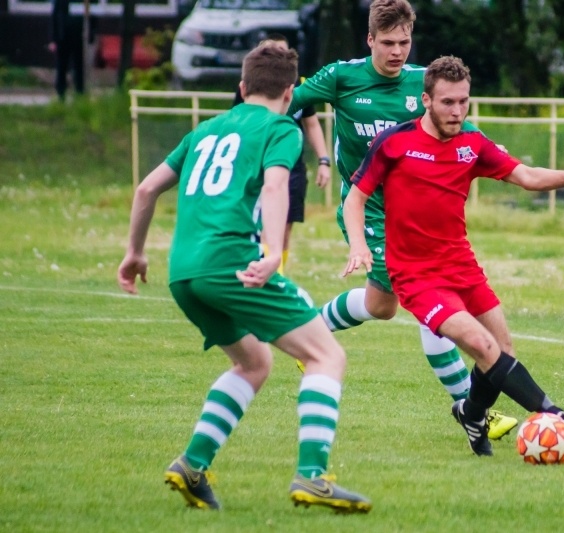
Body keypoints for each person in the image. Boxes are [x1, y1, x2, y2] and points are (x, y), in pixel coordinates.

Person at [117, 42, 371, 513]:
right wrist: (274, 251)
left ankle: (192, 465)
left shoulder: (207, 128)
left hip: (183, 273)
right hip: (232, 263)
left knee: (254, 363)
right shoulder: (281, 127)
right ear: (291, 91)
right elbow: (275, 186)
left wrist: (134, 252)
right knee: (326, 355)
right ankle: (313, 477)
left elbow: (147, 187)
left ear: (241, 87)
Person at [341, 55, 564, 456]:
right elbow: (357, 197)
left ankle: (471, 413)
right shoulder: (395, 143)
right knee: (484, 348)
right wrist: (358, 244)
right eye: (448, 102)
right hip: (416, 276)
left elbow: (526, 176)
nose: (457, 111)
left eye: (463, 102)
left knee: (503, 354)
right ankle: (556, 415)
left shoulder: (473, 144)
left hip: (462, 267)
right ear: (426, 101)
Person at [288, 0, 518, 441]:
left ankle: (307, 330)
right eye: (388, 42)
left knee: (382, 306)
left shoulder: (423, 84)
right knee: (430, 300)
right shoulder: (341, 77)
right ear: (370, 39)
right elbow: (286, 103)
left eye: (405, 42)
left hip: (417, 212)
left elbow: (458, 127)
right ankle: (473, 410)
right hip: (369, 207)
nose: (398, 51)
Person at [232, 34, 331, 274]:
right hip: (260, 165)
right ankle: (263, 272)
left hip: (292, 167)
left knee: (285, 225)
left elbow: (312, 124)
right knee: (264, 221)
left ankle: (276, 272)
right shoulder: (249, 90)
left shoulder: (298, 91)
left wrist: (324, 160)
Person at [49, 0, 86, 100]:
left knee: (78, 66)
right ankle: (61, 93)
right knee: (62, 66)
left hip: (78, 36)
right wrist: (54, 39)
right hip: (63, 37)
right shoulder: (60, 2)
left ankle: (80, 92)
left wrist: (90, 34)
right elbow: (55, 17)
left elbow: (91, 15)